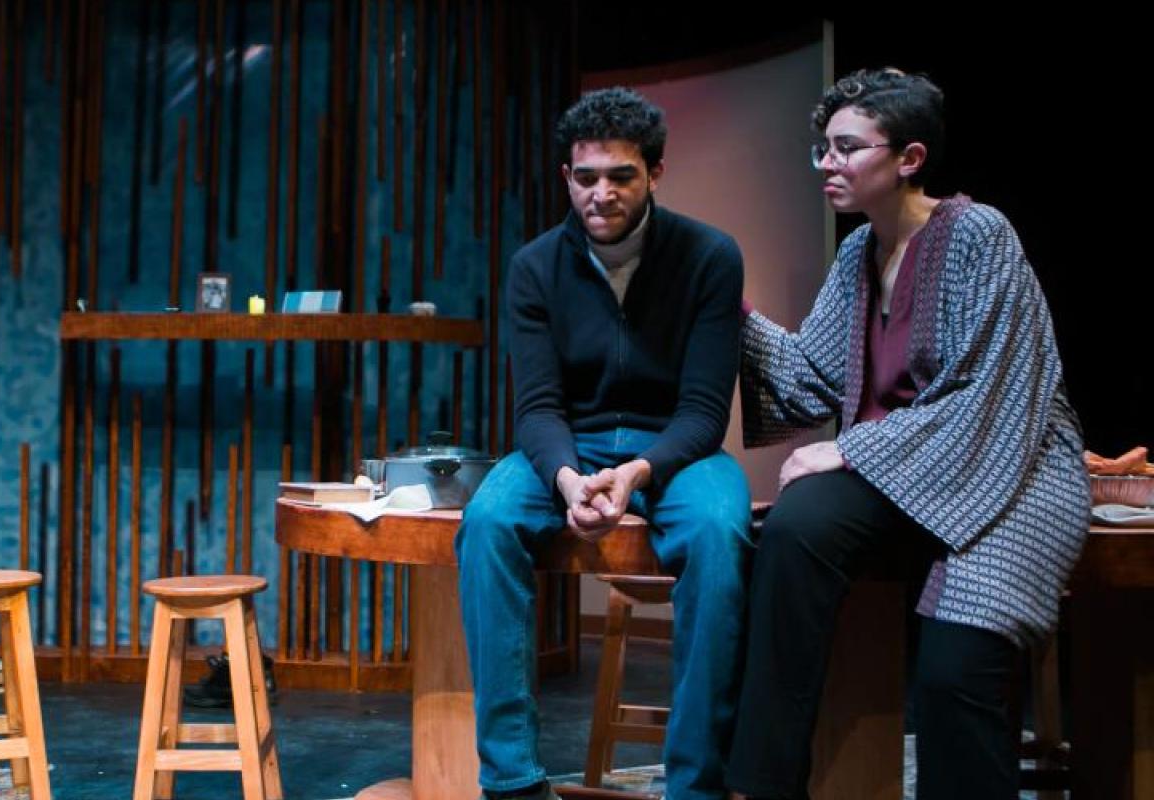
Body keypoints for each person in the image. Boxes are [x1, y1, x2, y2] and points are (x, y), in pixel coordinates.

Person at [726, 68, 1090, 799]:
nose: (827, 164)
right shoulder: (859, 254)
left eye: (846, 148)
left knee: (953, 676)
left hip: (1012, 473)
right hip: (902, 472)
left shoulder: (978, 235)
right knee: (795, 530)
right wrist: (731, 312)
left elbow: (991, 395)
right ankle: (764, 782)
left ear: (909, 159)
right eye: (822, 150)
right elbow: (808, 377)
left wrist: (849, 447)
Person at [456, 86, 751, 800]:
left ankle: (695, 786)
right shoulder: (535, 267)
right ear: (567, 178)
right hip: (570, 441)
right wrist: (564, 478)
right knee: (488, 521)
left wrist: (639, 472)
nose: (601, 193)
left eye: (621, 175)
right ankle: (513, 781)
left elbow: (706, 410)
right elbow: (536, 406)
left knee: (719, 532)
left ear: (655, 172)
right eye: (586, 177)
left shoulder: (710, 256)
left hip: (673, 447)